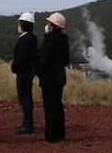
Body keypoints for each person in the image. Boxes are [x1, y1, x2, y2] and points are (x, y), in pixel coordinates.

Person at [36, 12, 70, 142]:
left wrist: (37, 71)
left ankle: (51, 136)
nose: (47, 24)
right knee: (57, 105)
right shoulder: (64, 39)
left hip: (48, 79)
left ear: (52, 25)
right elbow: (66, 60)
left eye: (49, 22)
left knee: (49, 107)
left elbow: (43, 61)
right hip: (60, 78)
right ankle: (60, 134)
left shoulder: (49, 41)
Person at [11, 12, 38, 134]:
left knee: (24, 98)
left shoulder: (24, 40)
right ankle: (28, 123)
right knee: (28, 96)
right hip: (29, 72)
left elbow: (20, 58)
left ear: (23, 25)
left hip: (23, 73)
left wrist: (14, 67)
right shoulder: (32, 38)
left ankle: (28, 125)